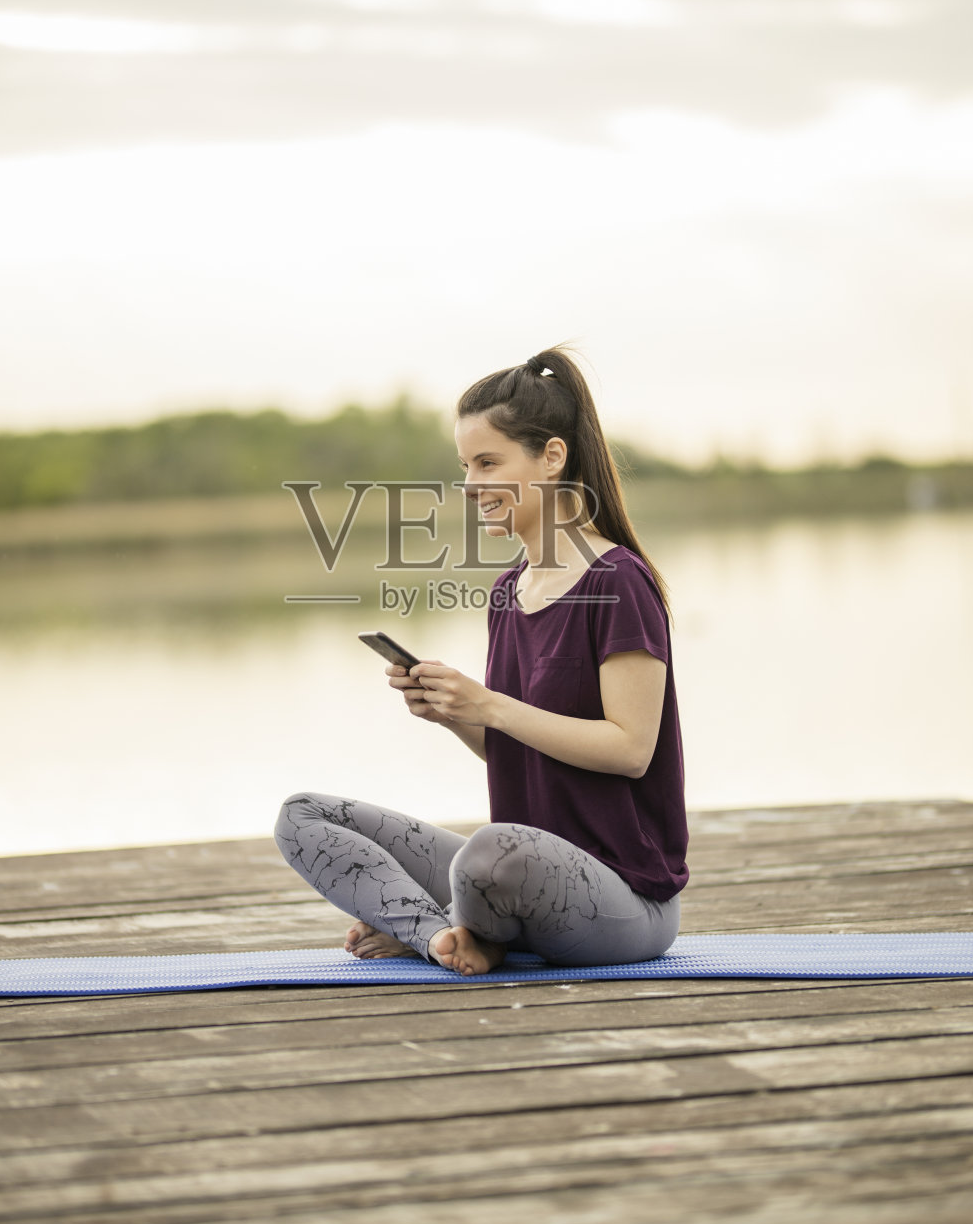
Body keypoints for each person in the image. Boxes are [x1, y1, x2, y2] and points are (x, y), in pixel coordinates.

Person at [275, 346, 689, 976]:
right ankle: (441, 936)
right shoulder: (507, 591)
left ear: (552, 457)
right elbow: (517, 751)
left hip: (624, 900)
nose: (471, 484)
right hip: (518, 868)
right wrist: (453, 713)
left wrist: (489, 703)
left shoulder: (618, 582)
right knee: (304, 816)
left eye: (489, 462)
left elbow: (631, 748)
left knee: (488, 854)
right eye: (465, 465)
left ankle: (445, 926)